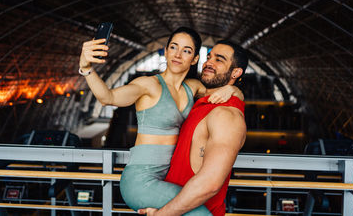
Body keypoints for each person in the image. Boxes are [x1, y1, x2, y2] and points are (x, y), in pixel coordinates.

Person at [79, 27, 243, 215]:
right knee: (199, 212)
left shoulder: (193, 87)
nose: (178, 55)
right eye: (173, 47)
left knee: (192, 207)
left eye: (187, 51)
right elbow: (107, 97)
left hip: (165, 181)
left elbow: (222, 92)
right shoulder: (148, 85)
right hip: (140, 181)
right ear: (165, 51)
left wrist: (236, 90)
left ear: (195, 59)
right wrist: (86, 68)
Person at [138, 40, 248, 216]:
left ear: (236, 72)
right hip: (176, 207)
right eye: (209, 57)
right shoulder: (207, 103)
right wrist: (233, 89)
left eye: (219, 60)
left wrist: (162, 215)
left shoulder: (226, 115)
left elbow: (210, 183)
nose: (208, 63)